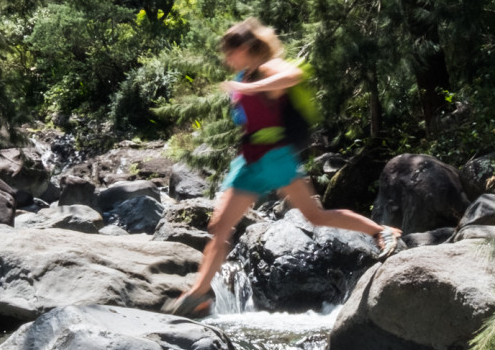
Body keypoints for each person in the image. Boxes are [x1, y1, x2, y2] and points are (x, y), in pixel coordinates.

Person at [167, 17, 401, 318]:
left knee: (314, 215)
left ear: (247, 47)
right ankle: (198, 295)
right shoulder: (246, 74)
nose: (227, 57)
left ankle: (382, 231)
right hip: (250, 160)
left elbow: (292, 76)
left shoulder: (267, 68)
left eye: (230, 50)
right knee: (219, 227)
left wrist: (249, 88)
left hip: (276, 157)